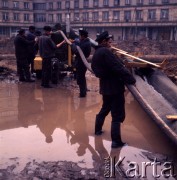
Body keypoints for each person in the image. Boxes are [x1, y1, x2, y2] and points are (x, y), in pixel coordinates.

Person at [91, 31, 136, 148]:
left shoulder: (96, 53)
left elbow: (96, 70)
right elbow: (118, 67)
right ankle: (116, 142)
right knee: (117, 114)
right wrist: (131, 79)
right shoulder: (106, 52)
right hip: (115, 88)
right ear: (104, 41)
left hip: (105, 88)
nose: (111, 43)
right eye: (109, 41)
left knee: (105, 109)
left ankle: (97, 131)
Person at [74, 29, 91, 97]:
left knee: (81, 78)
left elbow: (77, 51)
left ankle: (82, 94)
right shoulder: (85, 42)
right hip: (82, 62)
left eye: (80, 36)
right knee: (82, 77)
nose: (79, 37)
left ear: (83, 36)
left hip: (81, 63)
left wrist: (72, 45)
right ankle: (84, 91)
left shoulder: (85, 44)